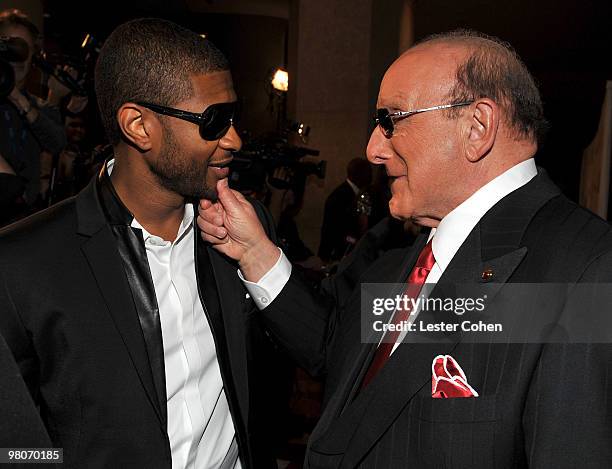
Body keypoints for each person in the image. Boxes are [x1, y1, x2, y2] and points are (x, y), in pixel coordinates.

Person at [198, 30, 612, 467]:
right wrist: (256, 254)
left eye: (391, 119)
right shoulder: (400, 243)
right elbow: (339, 351)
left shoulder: (584, 270)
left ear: (478, 127)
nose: (373, 149)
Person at [0, 18, 280, 468]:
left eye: (233, 117)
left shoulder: (242, 230)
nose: (234, 139)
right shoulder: (21, 265)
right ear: (138, 126)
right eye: (213, 122)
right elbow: (12, 444)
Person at [0, 9, 67, 209]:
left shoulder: (40, 107)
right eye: (10, 46)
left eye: (24, 50)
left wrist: (18, 99)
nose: (17, 57)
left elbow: (57, 142)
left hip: (24, 219)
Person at [318, 157, 372, 263]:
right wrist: (355, 242)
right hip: (335, 255)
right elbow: (336, 230)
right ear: (359, 175)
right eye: (368, 173)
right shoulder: (341, 196)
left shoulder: (352, 194)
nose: (371, 177)